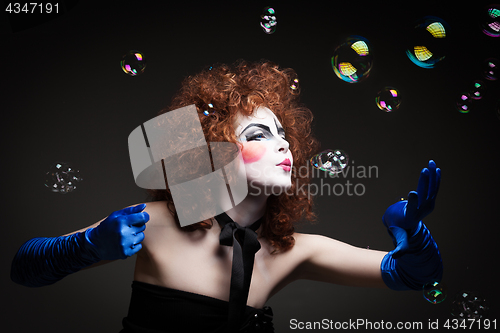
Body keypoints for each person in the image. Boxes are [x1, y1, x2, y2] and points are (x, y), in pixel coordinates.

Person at [10, 60, 443, 333]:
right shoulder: (154, 222)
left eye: (283, 135)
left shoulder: (290, 251)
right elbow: (24, 268)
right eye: (259, 134)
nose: (284, 145)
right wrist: (87, 246)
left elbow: (413, 275)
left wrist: (411, 231)